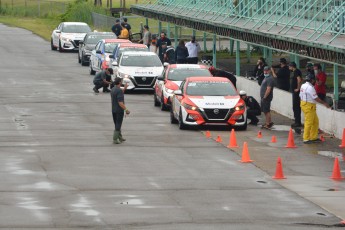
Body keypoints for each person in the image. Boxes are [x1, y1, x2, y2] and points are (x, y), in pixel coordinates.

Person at [299, 74, 331, 144]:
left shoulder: (303, 85)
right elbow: (316, 98)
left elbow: (300, 95)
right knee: (309, 122)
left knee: (315, 122)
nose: (316, 82)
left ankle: (313, 137)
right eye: (315, 80)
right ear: (312, 80)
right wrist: (325, 103)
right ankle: (306, 138)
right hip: (309, 106)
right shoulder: (310, 87)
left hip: (305, 104)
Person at [111, 77, 130, 144]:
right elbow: (120, 103)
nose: (122, 82)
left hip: (113, 110)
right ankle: (115, 139)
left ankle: (120, 137)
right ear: (119, 82)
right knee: (118, 125)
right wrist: (126, 110)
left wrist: (124, 88)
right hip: (119, 111)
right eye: (121, 81)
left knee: (117, 124)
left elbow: (119, 94)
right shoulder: (119, 91)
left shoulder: (113, 89)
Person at [289, 62, 303, 128]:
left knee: (296, 106)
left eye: (289, 67)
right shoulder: (296, 71)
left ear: (292, 66)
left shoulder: (296, 71)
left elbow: (299, 80)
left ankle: (297, 122)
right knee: (295, 107)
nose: (289, 68)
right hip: (294, 92)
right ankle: (297, 121)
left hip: (296, 92)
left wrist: (298, 88)